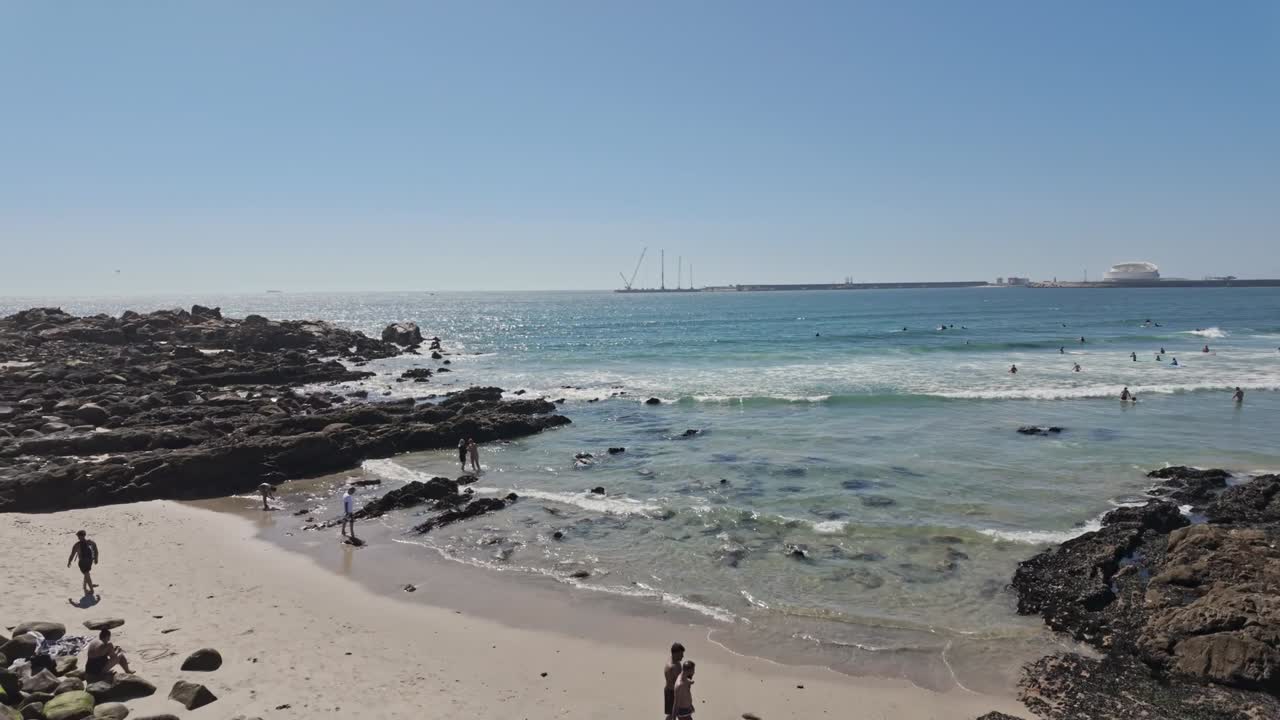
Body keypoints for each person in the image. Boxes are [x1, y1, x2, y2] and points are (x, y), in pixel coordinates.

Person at [67, 530, 98, 595]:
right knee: (87, 574)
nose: (77, 537)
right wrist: (96, 559)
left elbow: (72, 554)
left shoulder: (77, 545)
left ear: (79, 536)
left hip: (82, 562)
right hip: (90, 561)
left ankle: (91, 590)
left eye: (78, 536)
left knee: (86, 574)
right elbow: (96, 550)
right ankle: (85, 586)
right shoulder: (91, 542)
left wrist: (69, 561)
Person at [664, 643, 686, 719]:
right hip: (672, 693)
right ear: (675, 653)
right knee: (676, 714)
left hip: (671, 691)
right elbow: (680, 682)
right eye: (681, 654)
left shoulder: (675, 661)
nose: (683, 656)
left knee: (672, 714)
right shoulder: (673, 666)